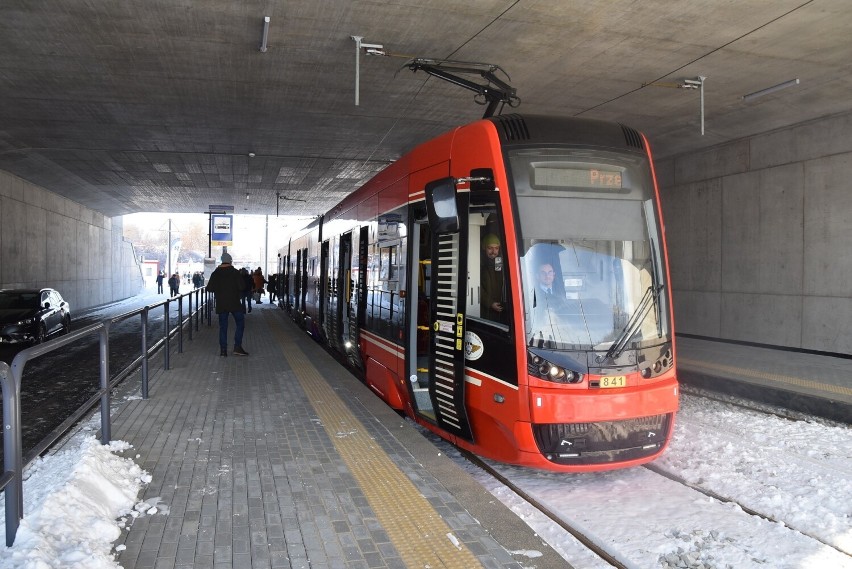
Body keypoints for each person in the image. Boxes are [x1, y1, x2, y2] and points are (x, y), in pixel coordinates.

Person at [205, 252, 248, 357]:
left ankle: (223, 351)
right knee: (240, 323)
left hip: (221, 304)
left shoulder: (215, 273)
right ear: (230, 261)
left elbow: (209, 288)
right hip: (234, 303)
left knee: (223, 327)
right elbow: (242, 287)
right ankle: (237, 347)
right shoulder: (235, 272)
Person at [480, 234, 507, 323]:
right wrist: (490, 303)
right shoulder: (479, 263)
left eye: (496, 248)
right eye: (490, 248)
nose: (493, 251)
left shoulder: (500, 263)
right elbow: (477, 288)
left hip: (500, 309)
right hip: (484, 311)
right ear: (484, 248)